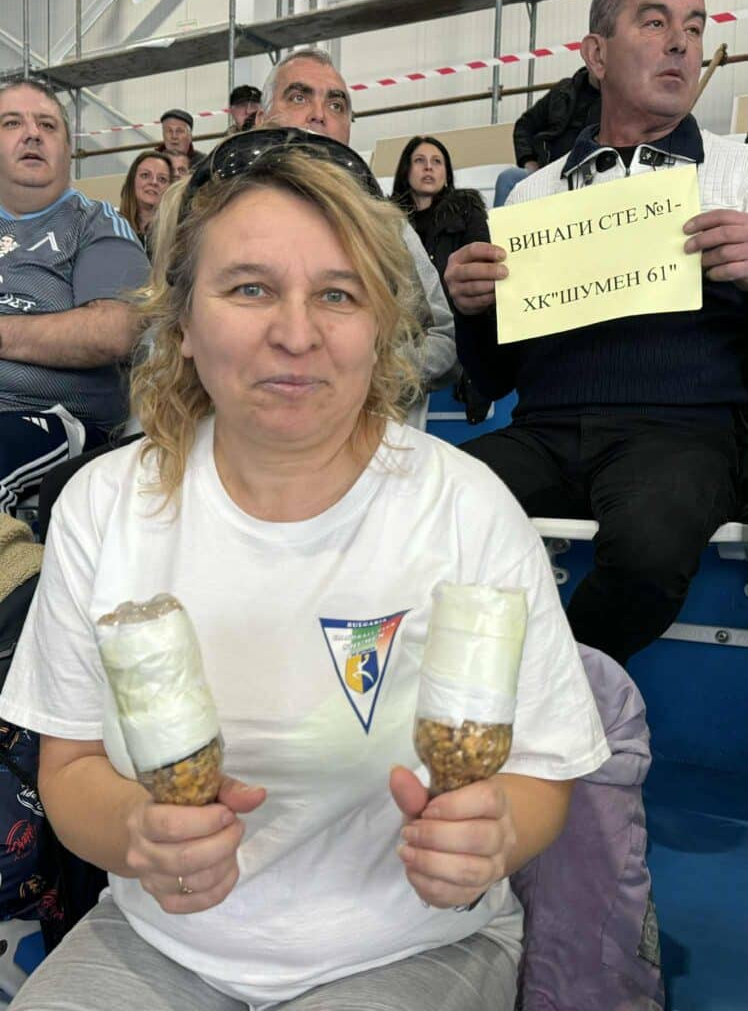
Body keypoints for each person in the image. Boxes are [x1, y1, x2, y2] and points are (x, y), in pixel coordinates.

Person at [0, 143, 608, 1011]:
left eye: (337, 294)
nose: (297, 333)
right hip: (158, 938)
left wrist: (497, 831)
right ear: (181, 322)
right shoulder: (106, 505)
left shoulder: (466, 508)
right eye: (250, 288)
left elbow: (545, 767)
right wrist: (138, 831)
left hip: (406, 946)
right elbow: (70, 766)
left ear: (380, 325)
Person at [445, 0, 748, 667]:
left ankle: (551, 697)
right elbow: (495, 378)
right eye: (655, 22)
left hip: (683, 434)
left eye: (694, 27)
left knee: (648, 551)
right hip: (545, 433)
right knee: (420, 505)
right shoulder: (533, 194)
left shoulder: (741, 174)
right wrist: (472, 310)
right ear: (597, 55)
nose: (681, 43)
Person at [256, 47, 459, 428]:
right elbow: (166, 338)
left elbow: (443, 339)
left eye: (336, 105)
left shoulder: (388, 227)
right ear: (261, 119)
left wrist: (366, 374)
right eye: (298, 97)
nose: (319, 114)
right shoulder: (213, 214)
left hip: (361, 436)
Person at [0, 79, 150, 513]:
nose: (32, 133)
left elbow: (113, 331)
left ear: (68, 150)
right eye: (12, 123)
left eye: (47, 125)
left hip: (48, 417)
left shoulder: (95, 223)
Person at [391, 136, 492, 424]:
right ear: (406, 171)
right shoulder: (387, 220)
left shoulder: (466, 209)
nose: (428, 168)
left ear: (447, 173)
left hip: (453, 322)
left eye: (437, 162)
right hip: (402, 325)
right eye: (419, 161)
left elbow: (479, 268)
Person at [494, 67, 601, 207]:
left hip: (587, 172)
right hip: (546, 169)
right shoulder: (564, 90)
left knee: (592, 190)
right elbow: (524, 125)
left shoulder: (617, 99)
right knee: (507, 178)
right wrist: (528, 160)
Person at [118, 150, 172, 259]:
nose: (154, 182)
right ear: (132, 181)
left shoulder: (178, 234)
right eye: (145, 175)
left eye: (162, 179)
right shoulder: (113, 228)